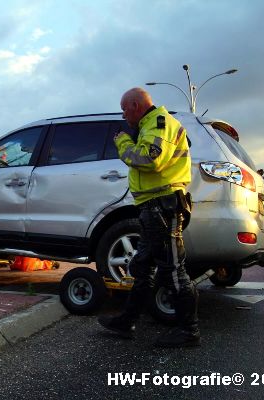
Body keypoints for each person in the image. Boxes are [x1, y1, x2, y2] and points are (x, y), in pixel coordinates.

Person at [98, 87, 198, 348]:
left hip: (163, 206)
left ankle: (188, 331)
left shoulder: (159, 123)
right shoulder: (149, 125)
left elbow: (149, 159)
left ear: (135, 104)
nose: (123, 115)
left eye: (124, 109)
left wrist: (122, 142)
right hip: (152, 208)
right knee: (142, 266)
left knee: (173, 270)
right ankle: (127, 321)